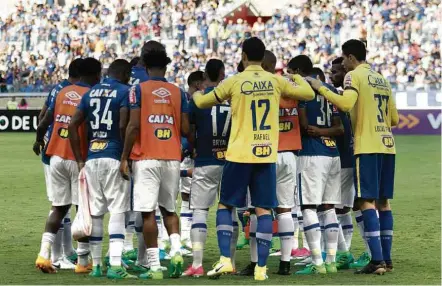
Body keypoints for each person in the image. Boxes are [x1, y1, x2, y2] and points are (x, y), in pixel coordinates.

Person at [192, 37, 315, 281]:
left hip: (239, 153)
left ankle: (226, 260)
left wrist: (196, 94)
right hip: (266, 153)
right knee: (263, 209)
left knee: (226, 205)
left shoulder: (234, 81)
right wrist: (297, 77)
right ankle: (261, 268)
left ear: (244, 56)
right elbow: (309, 94)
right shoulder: (275, 81)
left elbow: (203, 103)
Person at [307, 39, 398, 274]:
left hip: (366, 144)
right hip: (387, 144)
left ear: (349, 57)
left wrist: (320, 87)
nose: (343, 64)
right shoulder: (382, 79)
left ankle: (376, 260)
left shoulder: (353, 76)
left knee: (366, 200)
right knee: (384, 202)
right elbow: (395, 119)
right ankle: (386, 259)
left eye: (343, 59)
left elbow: (346, 103)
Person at [120, 48, 190, 280]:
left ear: (146, 68)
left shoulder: (137, 90)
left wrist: (124, 156)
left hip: (146, 157)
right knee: (169, 210)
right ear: (166, 67)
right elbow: (187, 128)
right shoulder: (178, 92)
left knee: (148, 213)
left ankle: (155, 267)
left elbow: (133, 126)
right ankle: (177, 250)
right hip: (171, 155)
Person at [68, 59, 136, 280]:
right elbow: (123, 125)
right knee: (117, 210)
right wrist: (125, 157)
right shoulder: (126, 91)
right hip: (114, 155)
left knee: (96, 213)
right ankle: (116, 264)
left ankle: (96, 266)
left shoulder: (90, 92)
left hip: (92, 157)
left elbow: (71, 125)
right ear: (125, 73)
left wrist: (80, 159)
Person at [33, 57, 102, 274]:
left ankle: (44, 254)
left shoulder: (62, 92)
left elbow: (44, 121)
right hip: (77, 157)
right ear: (94, 75)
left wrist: (38, 140)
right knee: (83, 209)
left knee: (58, 208)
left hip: (55, 155)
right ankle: (82, 261)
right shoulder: (91, 95)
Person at [287, 55, 343, 275]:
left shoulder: (302, 89)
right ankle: (331, 261)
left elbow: (302, 125)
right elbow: (339, 128)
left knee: (309, 207)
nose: (290, 76)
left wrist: (314, 131)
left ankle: (317, 262)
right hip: (333, 153)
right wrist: (324, 131)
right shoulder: (330, 90)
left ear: (299, 70)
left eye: (292, 72)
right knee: (329, 207)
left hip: (311, 153)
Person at [182, 59, 231, 277]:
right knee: (229, 210)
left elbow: (188, 129)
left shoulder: (198, 99)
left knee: (200, 211)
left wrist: (194, 145)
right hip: (230, 160)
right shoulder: (231, 97)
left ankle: (197, 263)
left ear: (205, 76)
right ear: (222, 73)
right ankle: (227, 260)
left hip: (204, 159)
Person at [37, 58, 83, 270]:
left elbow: (43, 116)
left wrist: (40, 139)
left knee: (61, 203)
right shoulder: (81, 91)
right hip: (70, 151)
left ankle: (66, 252)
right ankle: (59, 255)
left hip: (52, 149)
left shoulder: (58, 89)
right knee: (65, 205)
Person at [126, 41, 167, 267]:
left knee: (129, 201)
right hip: (149, 145)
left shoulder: (126, 73)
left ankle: (124, 246)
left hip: (121, 143)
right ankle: (146, 255)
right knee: (150, 205)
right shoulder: (152, 82)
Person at [329, 56, 360, 270]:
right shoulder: (345, 98)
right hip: (350, 157)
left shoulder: (342, 99)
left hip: (344, 159)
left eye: (336, 72)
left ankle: (343, 253)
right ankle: (345, 251)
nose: (333, 76)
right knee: (345, 208)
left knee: (335, 207)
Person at [179, 70, 204, 252]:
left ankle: (184, 235)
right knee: (188, 196)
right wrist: (189, 147)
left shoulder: (186, 98)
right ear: (197, 84)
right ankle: (185, 236)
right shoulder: (189, 100)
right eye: (203, 83)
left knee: (189, 197)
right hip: (187, 154)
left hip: (189, 152)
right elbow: (187, 129)